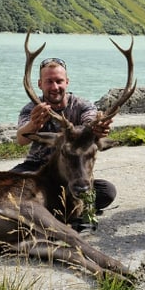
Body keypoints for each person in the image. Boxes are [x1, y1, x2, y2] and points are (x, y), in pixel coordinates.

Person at [12, 55, 115, 230]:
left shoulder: (82, 106)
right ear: (40, 84)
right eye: (49, 82)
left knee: (107, 191)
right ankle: (67, 211)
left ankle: (46, 212)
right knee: (12, 190)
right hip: (37, 168)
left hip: (73, 170)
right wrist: (33, 124)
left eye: (59, 81)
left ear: (67, 82)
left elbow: (89, 123)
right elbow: (21, 139)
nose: (55, 87)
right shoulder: (32, 108)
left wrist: (97, 129)